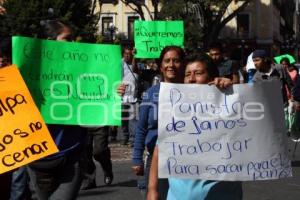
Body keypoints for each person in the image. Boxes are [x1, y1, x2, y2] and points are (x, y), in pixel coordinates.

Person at [147, 53, 242, 200]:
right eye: (187, 75)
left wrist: (232, 91)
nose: (191, 79)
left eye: (198, 73)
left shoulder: (229, 107)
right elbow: (159, 152)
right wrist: (152, 190)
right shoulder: (174, 112)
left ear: (212, 78)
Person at [26, 20, 87, 200]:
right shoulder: (28, 74)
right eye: (68, 39)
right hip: (39, 160)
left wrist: (113, 93)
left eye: (74, 39)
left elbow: (99, 110)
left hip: (72, 155)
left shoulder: (85, 70)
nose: (73, 44)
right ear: (49, 41)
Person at [131, 46, 186, 199]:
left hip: (187, 160)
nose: (171, 65)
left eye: (176, 61)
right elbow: (141, 129)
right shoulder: (151, 94)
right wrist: (137, 158)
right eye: (167, 61)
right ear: (161, 66)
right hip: (156, 161)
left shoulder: (194, 91)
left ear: (183, 64)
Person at [121, 46, 139, 145]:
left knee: (133, 118)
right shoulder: (121, 63)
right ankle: (125, 136)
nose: (128, 56)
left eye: (129, 54)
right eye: (126, 54)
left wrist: (135, 56)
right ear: (123, 55)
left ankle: (132, 139)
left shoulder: (134, 63)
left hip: (133, 95)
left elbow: (135, 69)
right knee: (123, 118)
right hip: (122, 95)